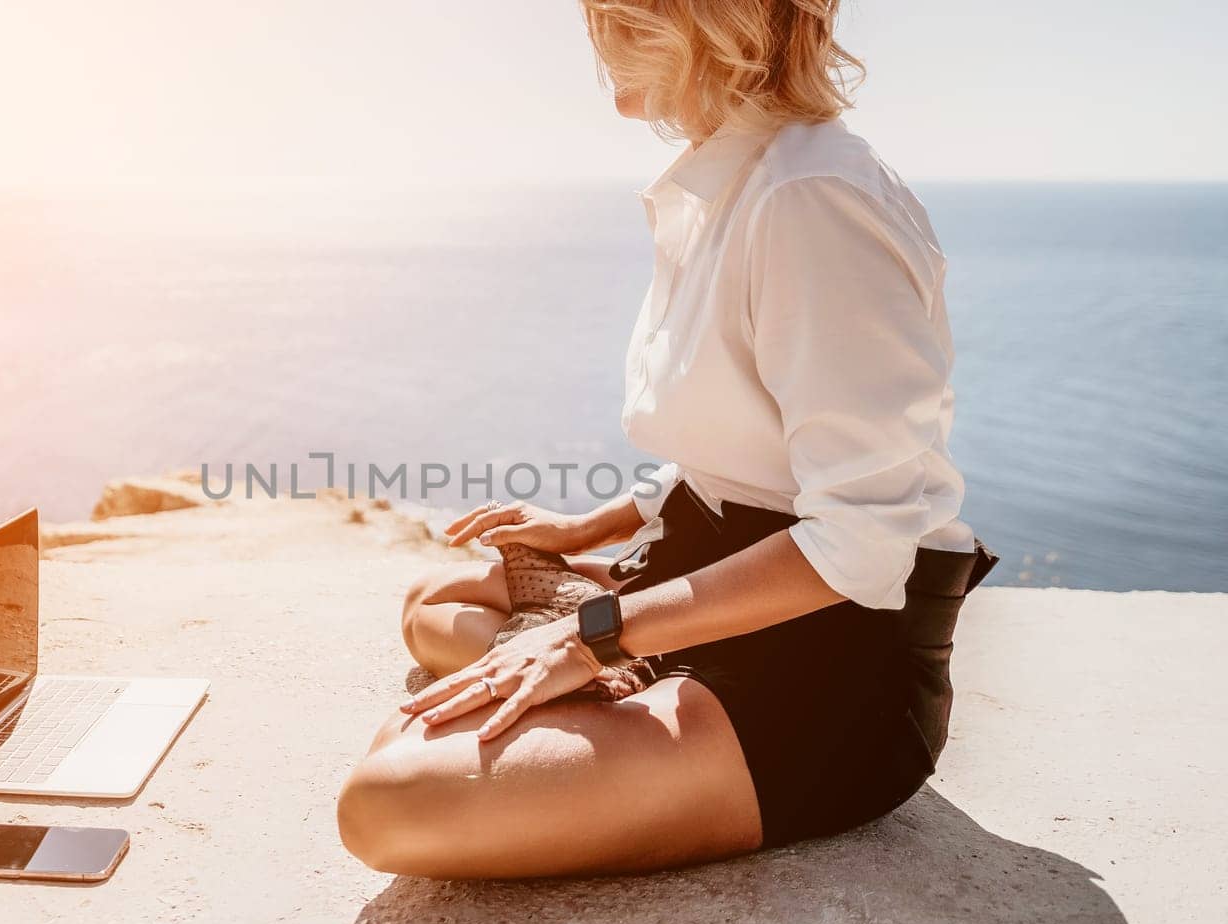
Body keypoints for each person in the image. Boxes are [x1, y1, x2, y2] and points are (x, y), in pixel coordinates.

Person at [336, 0, 996, 879]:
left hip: (823, 668)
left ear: (707, 26)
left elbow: (864, 541)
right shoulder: (734, 181)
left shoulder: (812, 201)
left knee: (390, 801)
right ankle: (612, 676)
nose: (615, 95)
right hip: (708, 568)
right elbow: (736, 445)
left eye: (622, 38)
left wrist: (591, 635)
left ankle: (609, 672)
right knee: (437, 601)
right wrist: (588, 528)